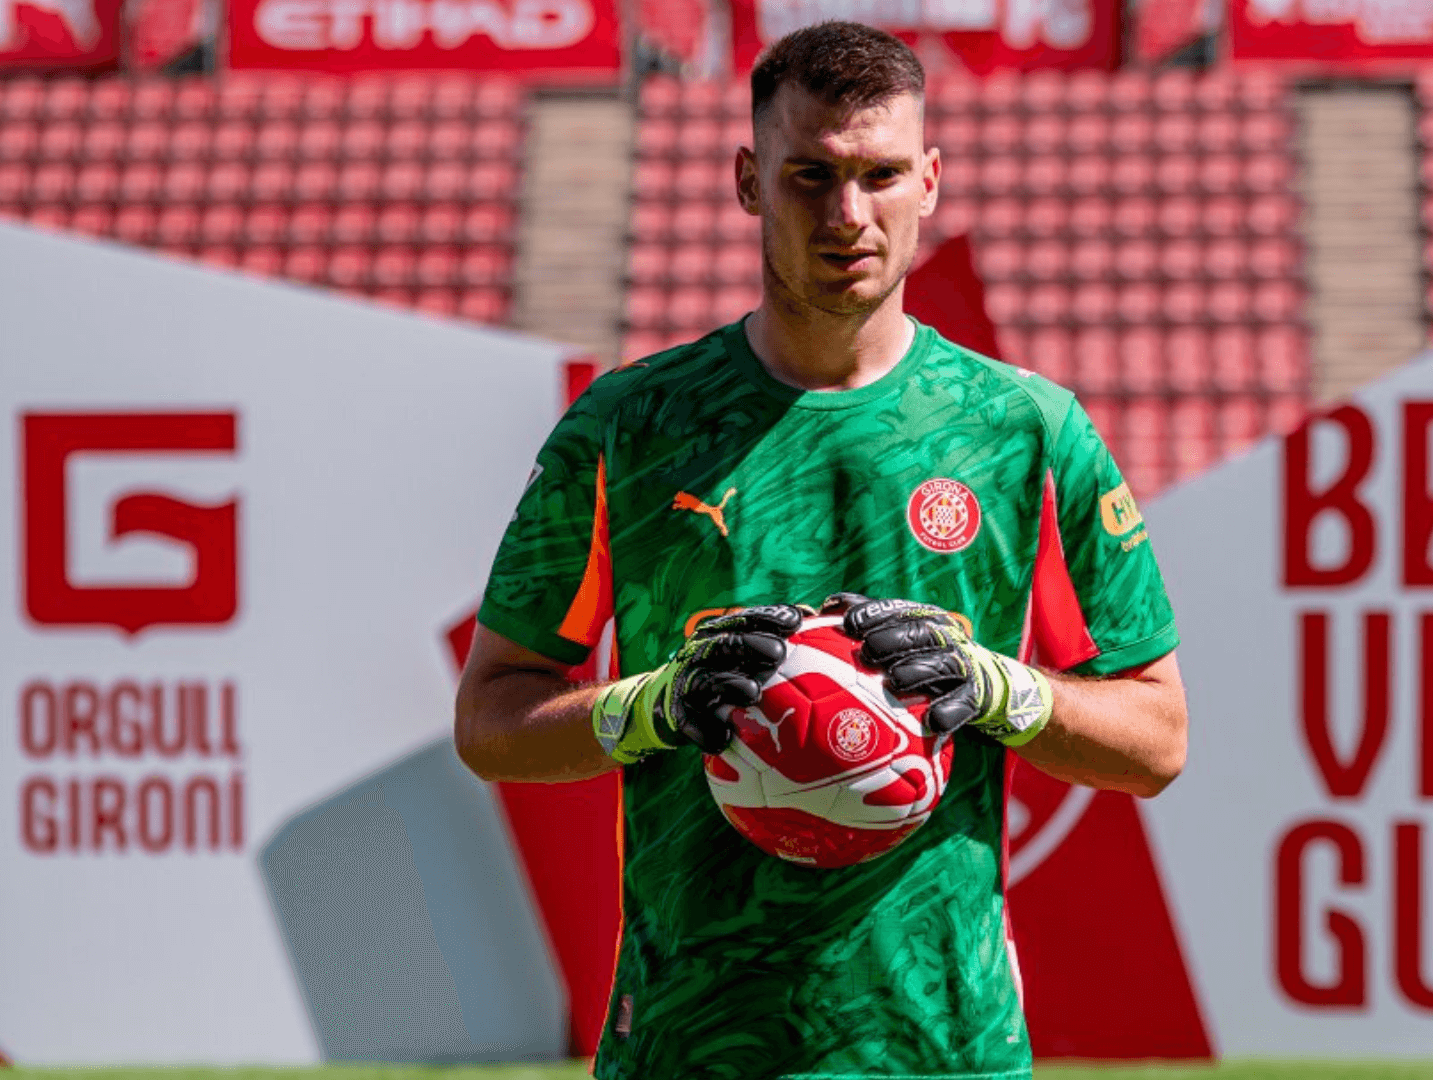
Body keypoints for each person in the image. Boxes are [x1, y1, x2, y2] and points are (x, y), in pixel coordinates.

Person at [456, 20, 1187, 1079]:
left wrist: (999, 692)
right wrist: (647, 706)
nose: (848, 214)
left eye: (880, 174)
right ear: (751, 180)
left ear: (929, 182)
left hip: (944, 1049)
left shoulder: (1029, 432)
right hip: (686, 1045)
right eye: (811, 175)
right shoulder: (628, 426)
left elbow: (1158, 738)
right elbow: (491, 718)